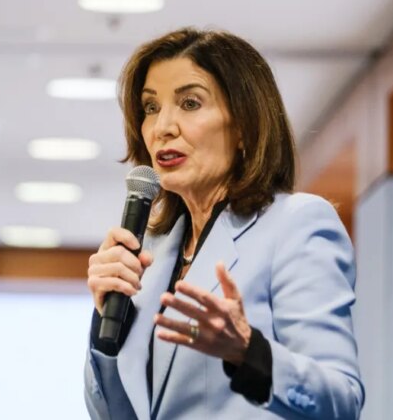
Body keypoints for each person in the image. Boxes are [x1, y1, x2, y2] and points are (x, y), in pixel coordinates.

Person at [84, 28, 364, 419]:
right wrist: (107, 319)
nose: (163, 126)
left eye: (190, 103)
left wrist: (248, 352)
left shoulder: (297, 224)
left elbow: (342, 400)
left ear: (244, 128)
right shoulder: (149, 254)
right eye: (150, 107)